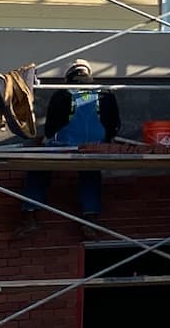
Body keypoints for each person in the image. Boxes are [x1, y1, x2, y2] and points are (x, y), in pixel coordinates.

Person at [19, 59, 119, 234]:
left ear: (69, 75)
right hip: (95, 147)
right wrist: (107, 140)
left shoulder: (62, 93)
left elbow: (52, 125)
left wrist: (47, 138)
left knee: (38, 168)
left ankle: (30, 216)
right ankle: (90, 219)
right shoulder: (105, 93)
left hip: (63, 146)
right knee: (90, 173)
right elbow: (114, 124)